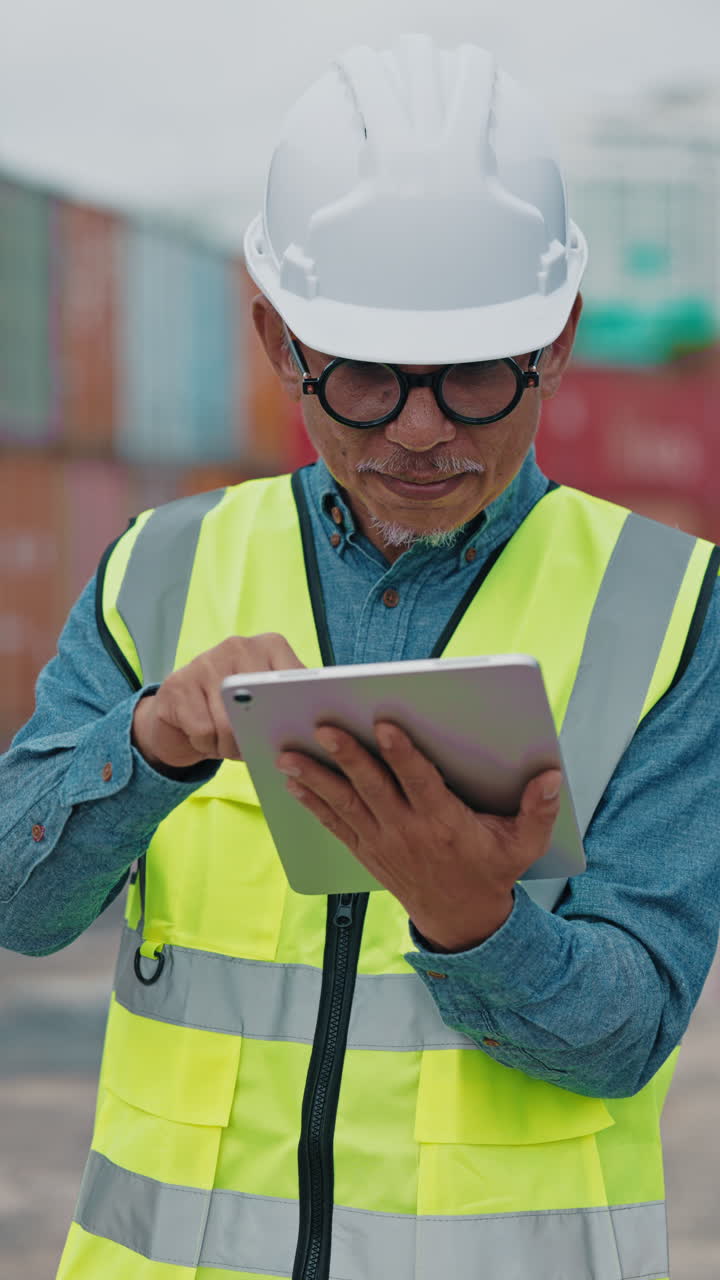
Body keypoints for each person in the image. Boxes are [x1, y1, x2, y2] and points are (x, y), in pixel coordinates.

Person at [1, 33, 719, 1280]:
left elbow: (628, 1027)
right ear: (280, 340)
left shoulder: (666, 613)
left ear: (558, 339)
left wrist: (471, 916)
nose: (423, 432)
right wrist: (147, 745)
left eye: (477, 378)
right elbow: (17, 899)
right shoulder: (154, 572)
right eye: (370, 381)